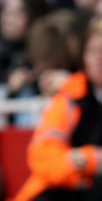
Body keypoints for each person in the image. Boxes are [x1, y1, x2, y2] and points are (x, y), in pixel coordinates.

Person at [13, 21, 102, 201]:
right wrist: (91, 159)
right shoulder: (70, 96)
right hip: (65, 189)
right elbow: (43, 157)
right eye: (93, 51)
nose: (99, 59)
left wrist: (78, 160)